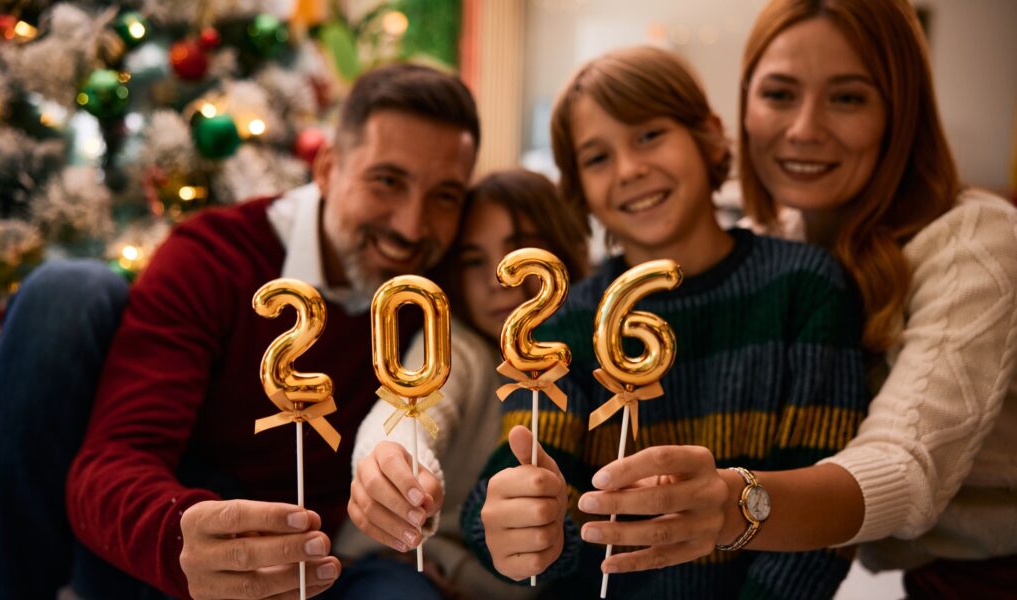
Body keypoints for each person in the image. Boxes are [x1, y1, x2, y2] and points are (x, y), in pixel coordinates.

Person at [0, 63, 480, 600]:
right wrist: (180, 539)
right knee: (64, 292)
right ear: (327, 169)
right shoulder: (213, 259)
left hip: (329, 566)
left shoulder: (440, 284)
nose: (412, 226)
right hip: (181, 557)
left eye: (445, 196)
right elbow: (113, 459)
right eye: (387, 181)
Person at [460, 46, 870, 598]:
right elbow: (529, 480)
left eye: (649, 135)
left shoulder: (804, 288)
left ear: (707, 137)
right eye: (598, 157)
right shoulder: (564, 325)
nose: (630, 169)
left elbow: (819, 524)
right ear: (579, 188)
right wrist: (514, 525)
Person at [726, 0, 1017, 594]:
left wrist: (729, 506)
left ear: (900, 113)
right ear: (745, 106)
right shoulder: (777, 243)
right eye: (779, 94)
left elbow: (906, 468)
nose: (805, 128)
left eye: (847, 97)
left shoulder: (975, 241)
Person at [340, 169, 589, 598]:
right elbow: (406, 410)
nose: (499, 279)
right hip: (388, 561)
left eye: (520, 252)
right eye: (474, 261)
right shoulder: (458, 346)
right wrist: (389, 460)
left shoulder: (590, 367)